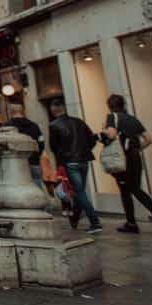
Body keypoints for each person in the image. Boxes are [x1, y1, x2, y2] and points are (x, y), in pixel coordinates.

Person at [103, 94, 152, 234]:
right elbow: (148, 139)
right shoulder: (132, 119)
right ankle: (131, 222)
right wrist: (137, 149)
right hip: (135, 157)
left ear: (110, 105)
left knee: (131, 189)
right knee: (130, 189)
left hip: (123, 160)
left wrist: (104, 131)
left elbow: (112, 135)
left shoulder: (112, 117)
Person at [48, 97, 101, 234]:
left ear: (53, 110)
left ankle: (95, 222)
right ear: (64, 108)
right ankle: (75, 218)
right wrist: (85, 150)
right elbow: (92, 139)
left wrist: (61, 160)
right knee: (79, 191)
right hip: (84, 160)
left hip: (70, 161)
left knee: (79, 192)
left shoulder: (54, 125)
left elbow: (53, 147)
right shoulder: (79, 122)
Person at [5, 103, 44, 184]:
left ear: (10, 112)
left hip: (16, 163)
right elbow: (41, 142)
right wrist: (37, 154)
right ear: (23, 111)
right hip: (34, 161)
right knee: (37, 185)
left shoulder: (6, 127)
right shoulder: (34, 126)